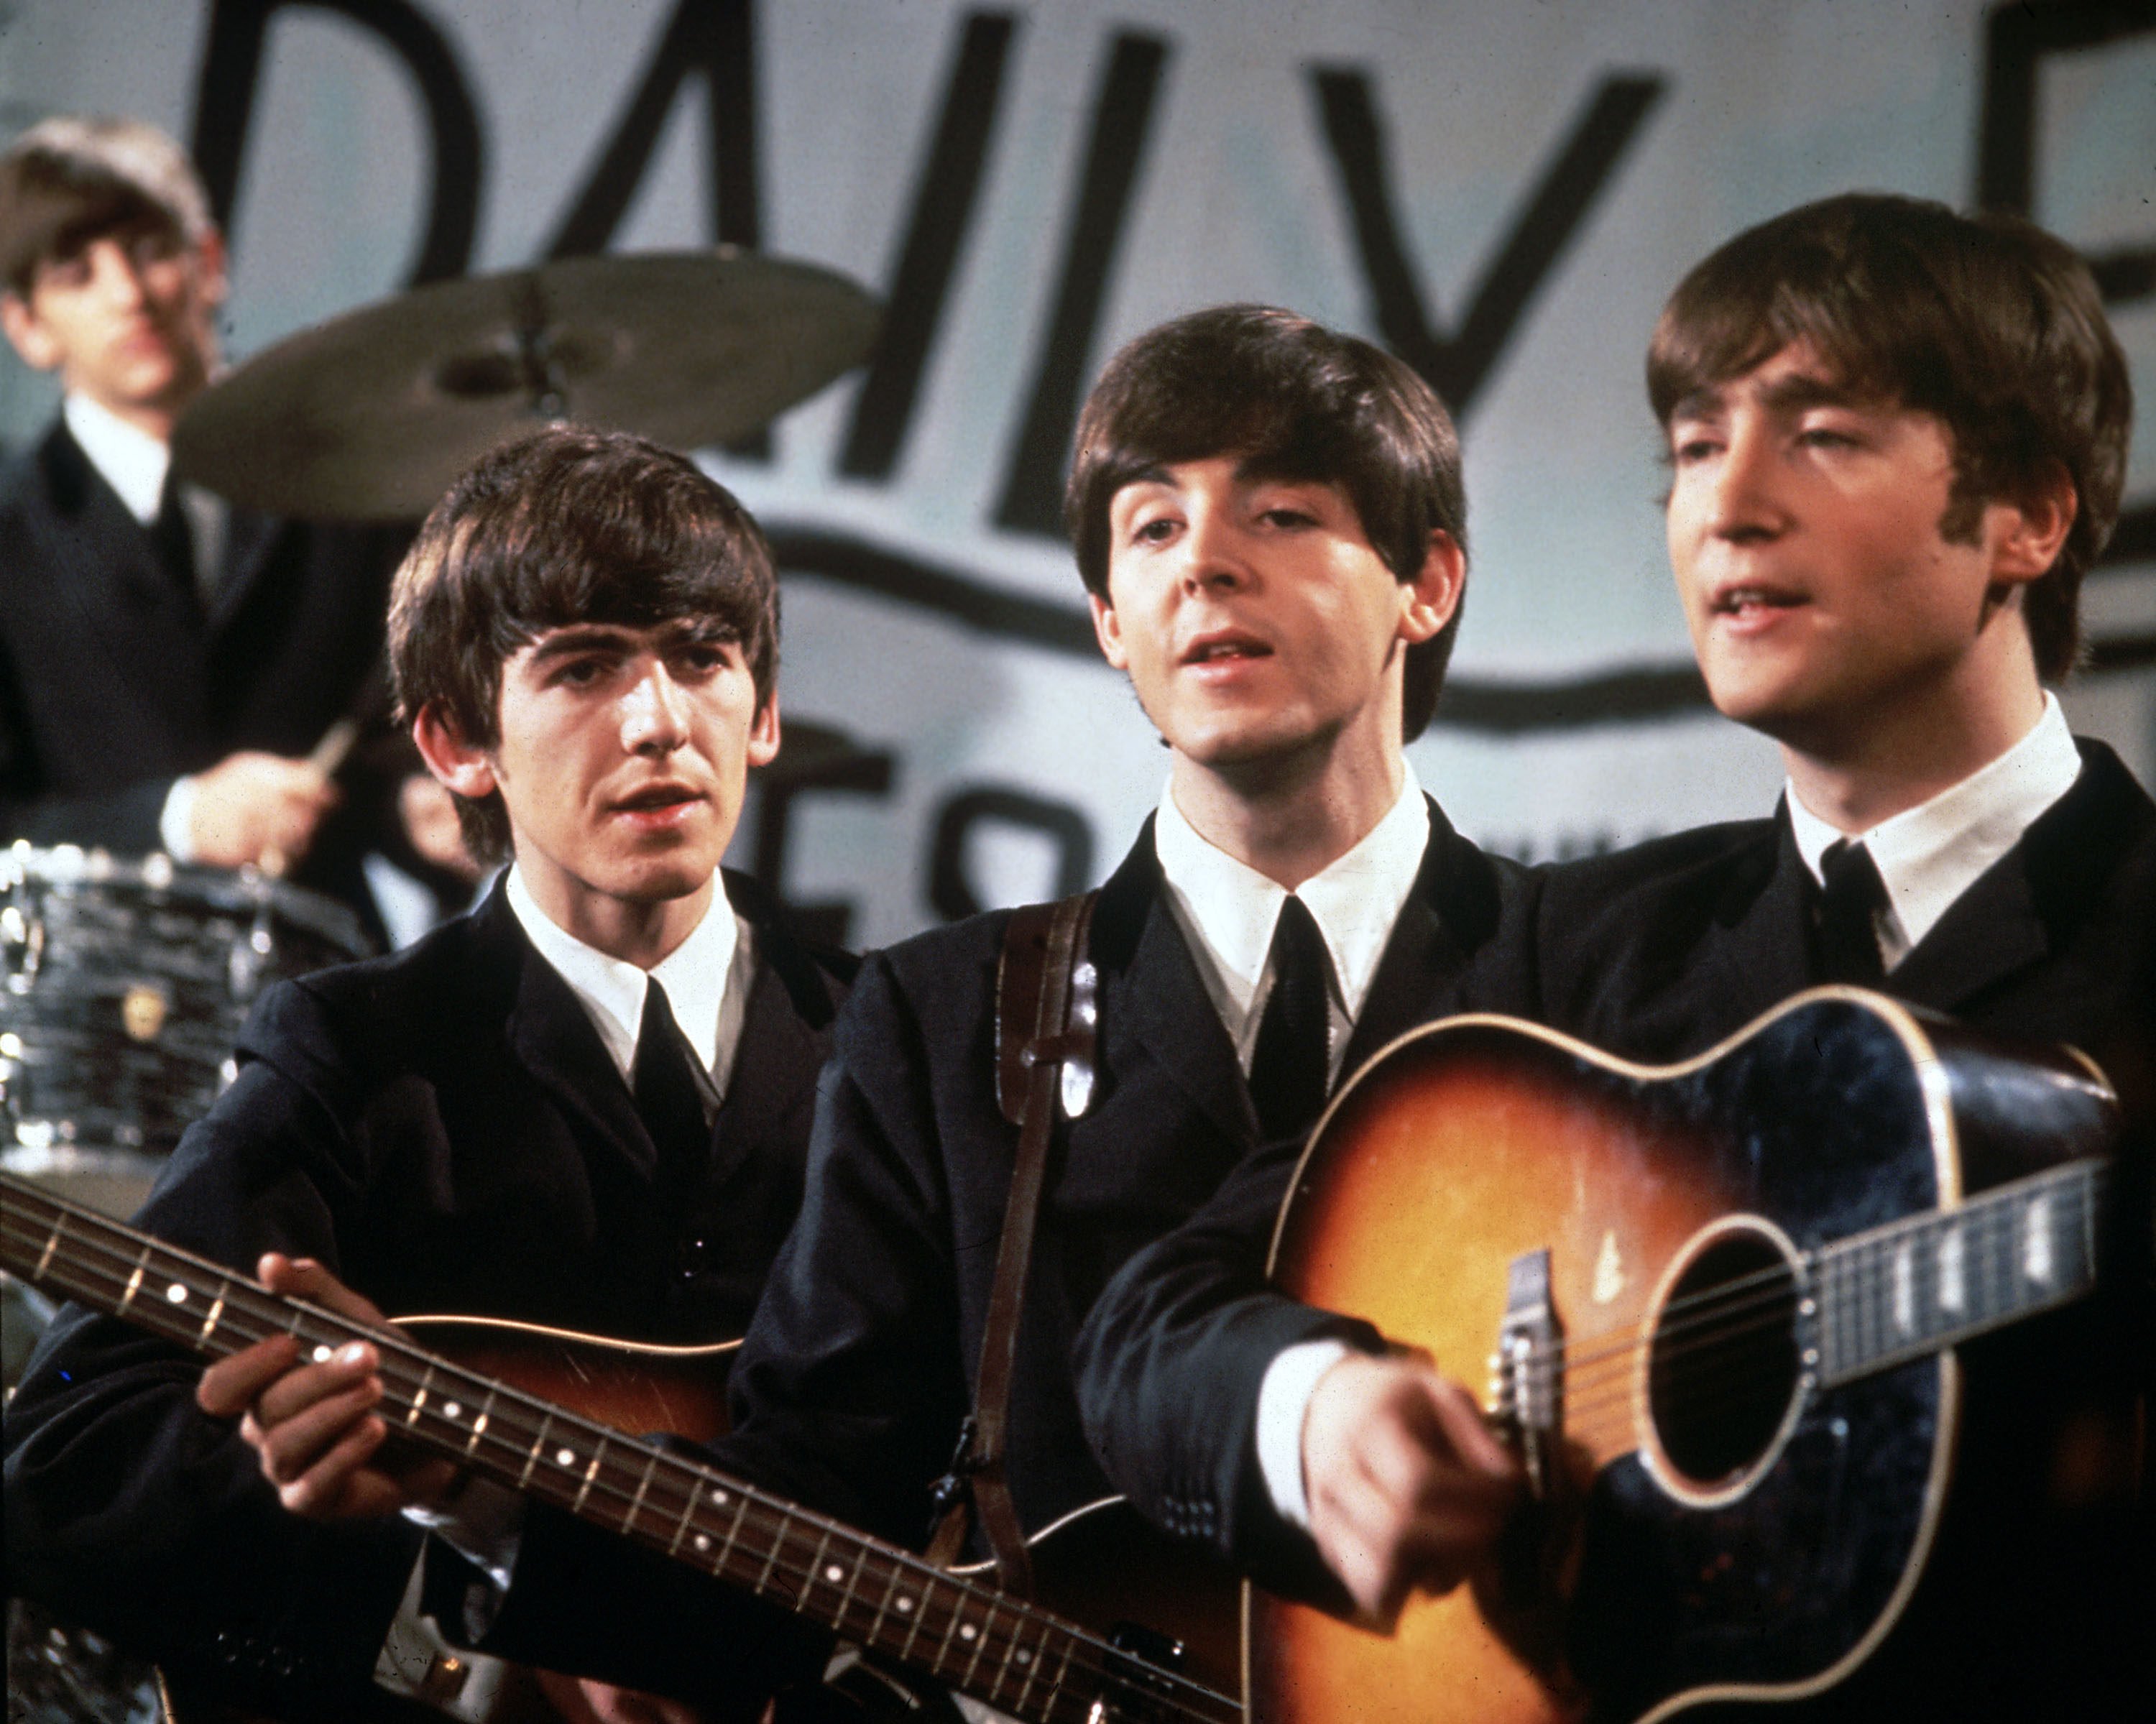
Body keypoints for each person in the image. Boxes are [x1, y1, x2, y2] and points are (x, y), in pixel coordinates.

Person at [204, 305, 1542, 1691]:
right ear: (1105, 619)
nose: (1205, 562)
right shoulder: (946, 1015)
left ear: (1428, 581)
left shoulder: (1592, 969)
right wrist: (474, 1492)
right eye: (1150, 529)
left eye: (1279, 512)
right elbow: (804, 1520)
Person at [1074, 194, 2154, 1716]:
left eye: (1823, 434)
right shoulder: (1575, 951)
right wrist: (1318, 1412)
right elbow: (1153, 1318)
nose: (1729, 506)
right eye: (1697, 446)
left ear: (2031, 515)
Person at [2, 425, 853, 1721]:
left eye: (701, 655)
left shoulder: (898, 1036)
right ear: (456, 742)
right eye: (583, 667)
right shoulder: (353, 1050)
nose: (661, 718)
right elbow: (63, 1455)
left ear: (767, 708)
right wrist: (391, 1511)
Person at [0, 115, 430, 928]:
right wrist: (179, 819)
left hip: (320, 982)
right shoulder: (9, 529)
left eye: (149, 250)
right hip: (93, 1008)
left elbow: (386, 742)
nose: (128, 294)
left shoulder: (345, 486)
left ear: (209, 261)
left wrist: (420, 813)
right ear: (26, 326)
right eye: (76, 272)